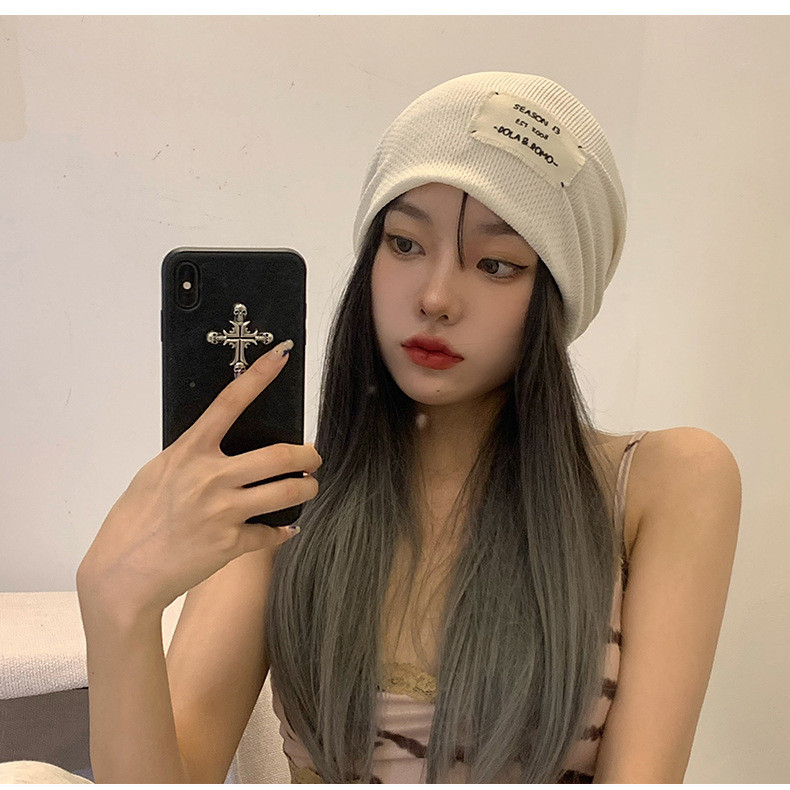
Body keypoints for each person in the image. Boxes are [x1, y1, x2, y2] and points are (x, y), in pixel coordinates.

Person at [1, 71, 740, 784]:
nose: (436, 296)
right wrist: (117, 607)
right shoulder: (280, 499)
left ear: (556, 293)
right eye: (405, 244)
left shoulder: (664, 483)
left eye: (496, 263)